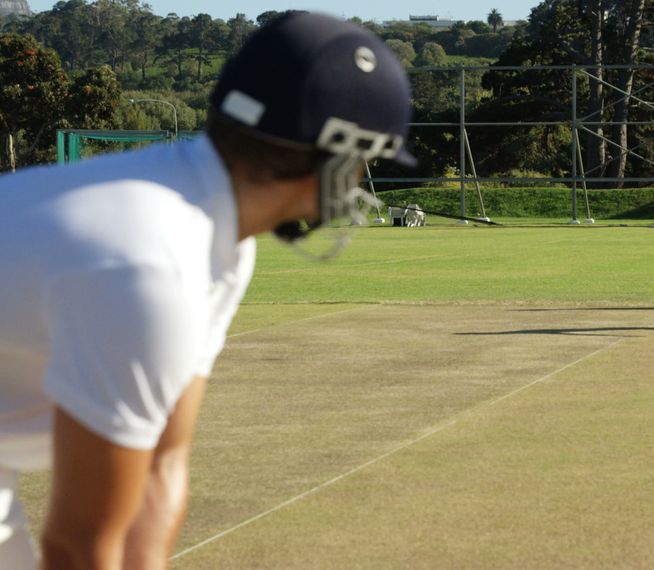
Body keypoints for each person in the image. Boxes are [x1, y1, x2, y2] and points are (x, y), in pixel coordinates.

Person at [0, 12, 414, 568]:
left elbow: (161, 466)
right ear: (341, 157)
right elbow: (78, 548)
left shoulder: (215, 237)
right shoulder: (152, 266)